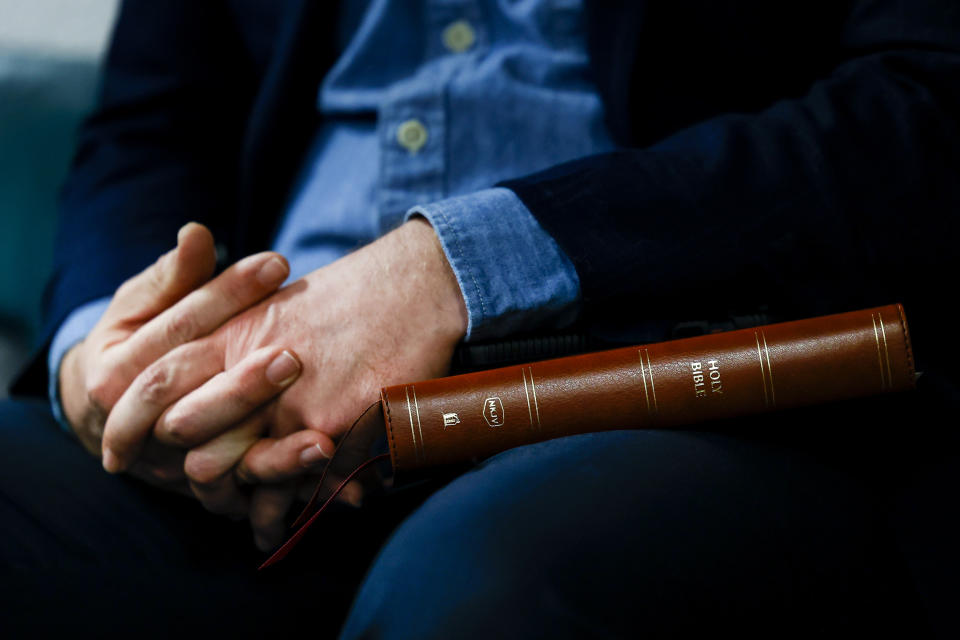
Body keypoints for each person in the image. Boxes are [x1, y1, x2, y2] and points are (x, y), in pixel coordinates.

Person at [4, 0, 959, 637]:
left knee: (481, 588)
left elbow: (924, 101)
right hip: (241, 424)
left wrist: (450, 270)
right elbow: (150, 126)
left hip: (657, 393)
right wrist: (114, 357)